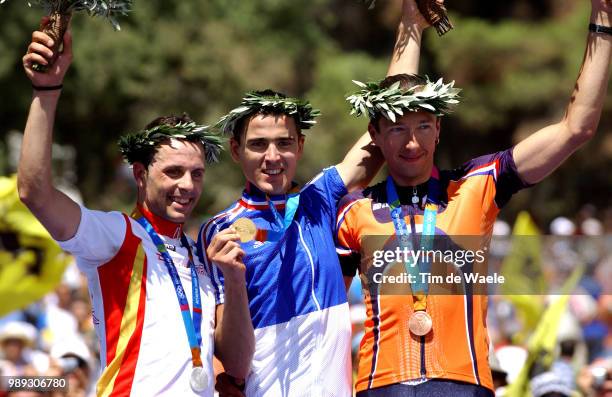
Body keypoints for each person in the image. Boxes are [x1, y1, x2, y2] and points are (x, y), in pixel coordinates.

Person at [335, 0, 611, 395]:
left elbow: (576, 128)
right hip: (382, 385)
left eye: (424, 126)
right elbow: (323, 312)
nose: (412, 141)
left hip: (465, 384)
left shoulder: (476, 185)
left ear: (439, 129)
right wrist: (409, 25)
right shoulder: (354, 211)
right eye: (396, 129)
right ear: (375, 137)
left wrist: (603, 20)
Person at [198, 1, 435, 395]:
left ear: (300, 147)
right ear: (236, 151)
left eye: (284, 143)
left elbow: (387, 120)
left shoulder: (318, 201)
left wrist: (411, 26)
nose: (272, 157)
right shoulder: (219, 232)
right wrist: (234, 281)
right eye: (258, 145)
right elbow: (235, 364)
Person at [17, 19, 254, 396]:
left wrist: (236, 281)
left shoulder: (201, 257)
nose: (187, 186)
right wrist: (46, 92)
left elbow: (237, 364)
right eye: (173, 172)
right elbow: (35, 193)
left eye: (196, 173)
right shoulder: (117, 235)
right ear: (140, 174)